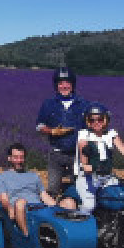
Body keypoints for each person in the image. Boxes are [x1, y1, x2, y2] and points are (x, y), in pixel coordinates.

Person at [0, 142, 74, 238]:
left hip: (39, 208)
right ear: (9, 158)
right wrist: (9, 209)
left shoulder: (33, 176)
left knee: (69, 202)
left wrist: (56, 207)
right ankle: (26, 236)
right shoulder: (2, 177)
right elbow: (4, 199)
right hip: (20, 209)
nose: (19, 160)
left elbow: (43, 195)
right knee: (21, 203)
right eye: (16, 157)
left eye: (21, 157)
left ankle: (71, 236)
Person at [74, 104, 124, 214]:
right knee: (89, 206)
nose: (96, 123)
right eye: (92, 120)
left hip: (107, 177)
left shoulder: (111, 134)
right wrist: (86, 165)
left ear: (106, 120)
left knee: (123, 199)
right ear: (87, 121)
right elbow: (83, 153)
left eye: (100, 119)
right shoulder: (84, 135)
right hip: (89, 178)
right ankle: (79, 224)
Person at [34, 67, 88, 204]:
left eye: (67, 83)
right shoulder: (48, 104)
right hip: (56, 154)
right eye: (60, 83)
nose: (64, 86)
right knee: (52, 189)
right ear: (56, 85)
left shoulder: (83, 104)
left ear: (72, 84)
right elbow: (39, 125)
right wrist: (51, 131)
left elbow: (92, 126)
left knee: (79, 189)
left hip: (77, 155)